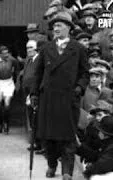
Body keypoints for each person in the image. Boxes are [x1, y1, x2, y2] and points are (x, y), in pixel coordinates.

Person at [30, 11, 89, 180]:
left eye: (59, 25)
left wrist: (79, 88)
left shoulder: (78, 48)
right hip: (48, 98)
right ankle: (52, 164)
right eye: (54, 26)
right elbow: (38, 73)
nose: (55, 28)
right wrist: (34, 93)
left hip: (69, 98)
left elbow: (85, 73)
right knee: (49, 137)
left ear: (69, 28)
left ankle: (67, 172)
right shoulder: (46, 48)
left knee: (68, 137)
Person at [0, 46, 20, 134]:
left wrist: (17, 83)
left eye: (7, 53)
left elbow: (17, 71)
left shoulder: (12, 60)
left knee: (7, 104)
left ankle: (6, 123)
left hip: (8, 83)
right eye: (4, 53)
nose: (6, 55)